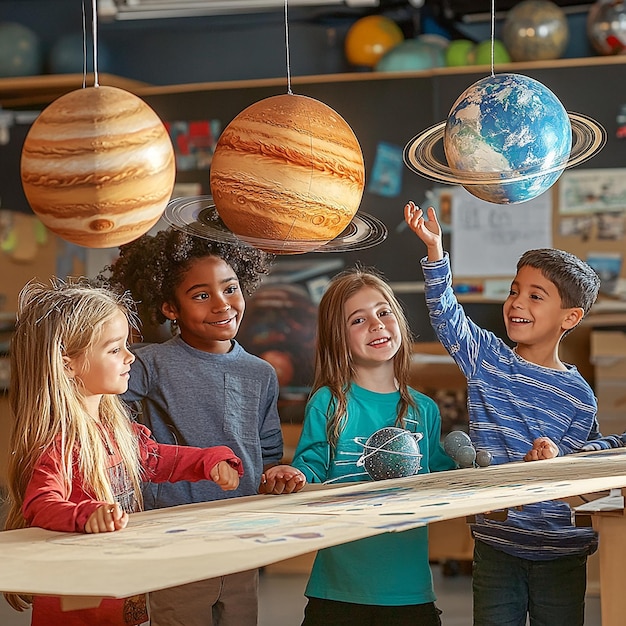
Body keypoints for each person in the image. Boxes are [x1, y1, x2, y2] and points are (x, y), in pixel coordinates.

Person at [404, 201, 602, 626]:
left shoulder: (580, 395)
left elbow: (578, 469)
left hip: (561, 550)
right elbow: (446, 316)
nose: (516, 303)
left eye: (535, 296)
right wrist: (436, 251)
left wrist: (550, 463)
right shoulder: (487, 359)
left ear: (570, 317)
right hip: (497, 544)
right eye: (514, 290)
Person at [3, 279, 243, 626]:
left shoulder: (118, 432)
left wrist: (211, 459)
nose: (130, 356)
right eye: (114, 349)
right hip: (78, 601)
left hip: (119, 587)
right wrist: (85, 515)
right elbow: (41, 504)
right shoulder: (59, 443)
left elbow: (159, 459)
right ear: (67, 365)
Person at [102, 227, 305, 626]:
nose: (222, 304)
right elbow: (104, 410)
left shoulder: (260, 373)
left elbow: (265, 454)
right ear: (170, 309)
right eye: (201, 295)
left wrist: (275, 474)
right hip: (175, 534)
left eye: (230, 288)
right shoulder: (150, 363)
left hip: (240, 532)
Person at [274, 266, 456, 626]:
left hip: (410, 591)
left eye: (383, 312)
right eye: (358, 320)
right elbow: (311, 467)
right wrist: (292, 474)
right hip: (338, 592)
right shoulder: (328, 402)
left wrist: (478, 468)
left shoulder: (424, 410)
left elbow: (440, 476)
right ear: (337, 338)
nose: (376, 324)